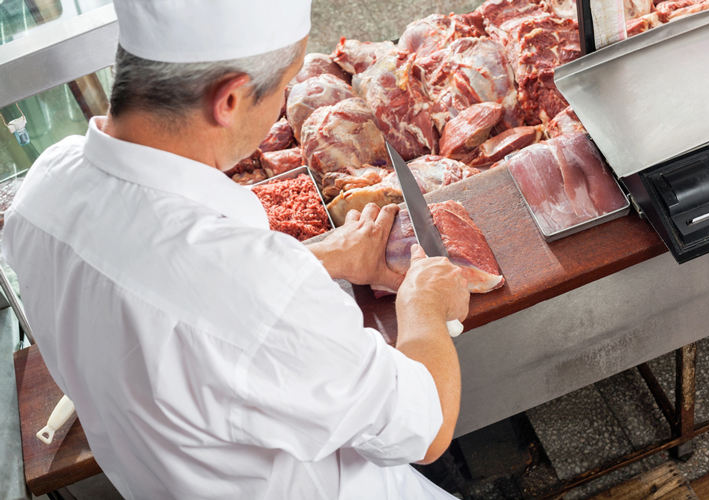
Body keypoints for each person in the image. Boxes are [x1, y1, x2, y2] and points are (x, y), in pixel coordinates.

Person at [2, 1, 470, 499]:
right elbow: (425, 425)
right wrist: (423, 303)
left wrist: (313, 259)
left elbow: (167, 313)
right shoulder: (254, 290)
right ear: (229, 100)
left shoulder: (43, 189)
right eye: (285, 85)